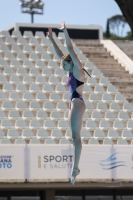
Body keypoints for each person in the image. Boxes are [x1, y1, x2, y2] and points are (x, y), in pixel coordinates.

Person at [46, 21, 91, 185]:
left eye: (65, 64)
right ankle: (76, 168)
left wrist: (65, 31)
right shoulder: (70, 69)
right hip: (75, 103)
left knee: (76, 138)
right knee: (73, 137)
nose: (62, 66)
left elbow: (70, 50)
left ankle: (75, 168)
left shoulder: (77, 69)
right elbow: (61, 55)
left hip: (77, 102)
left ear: (71, 62)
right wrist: (51, 39)